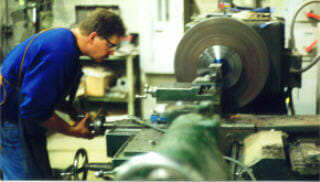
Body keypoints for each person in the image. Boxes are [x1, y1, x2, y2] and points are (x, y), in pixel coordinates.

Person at [0, 8, 126, 180]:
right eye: (110, 45)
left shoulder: (66, 42)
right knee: (24, 176)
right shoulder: (59, 52)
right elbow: (34, 108)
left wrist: (71, 110)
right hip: (10, 120)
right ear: (93, 36)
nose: (112, 52)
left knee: (38, 174)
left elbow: (42, 91)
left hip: (23, 118)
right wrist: (72, 130)